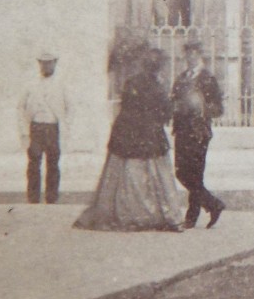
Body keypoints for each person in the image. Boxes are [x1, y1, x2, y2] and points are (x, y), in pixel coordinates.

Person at [75, 48, 186, 231]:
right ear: (158, 68)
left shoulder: (132, 82)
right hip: (149, 134)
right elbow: (165, 113)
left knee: (125, 174)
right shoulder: (158, 86)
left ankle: (128, 214)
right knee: (156, 175)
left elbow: (126, 105)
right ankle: (153, 215)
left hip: (127, 132)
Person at [171, 40, 226, 228]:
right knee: (180, 173)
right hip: (181, 130)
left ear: (199, 55)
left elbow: (219, 108)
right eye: (187, 53)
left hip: (198, 131)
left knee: (195, 175)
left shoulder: (207, 79)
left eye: (193, 53)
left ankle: (191, 217)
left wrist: (202, 108)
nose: (190, 57)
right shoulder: (181, 78)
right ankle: (213, 204)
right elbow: (173, 102)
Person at [19, 52, 71, 204]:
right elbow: (20, 107)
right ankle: (33, 198)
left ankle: (51, 198)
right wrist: (24, 128)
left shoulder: (62, 84)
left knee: (53, 164)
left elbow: (71, 108)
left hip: (53, 129)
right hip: (36, 128)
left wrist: (66, 126)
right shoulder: (31, 84)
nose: (46, 65)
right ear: (39, 63)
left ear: (55, 63)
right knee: (34, 163)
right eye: (43, 62)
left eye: (49, 62)